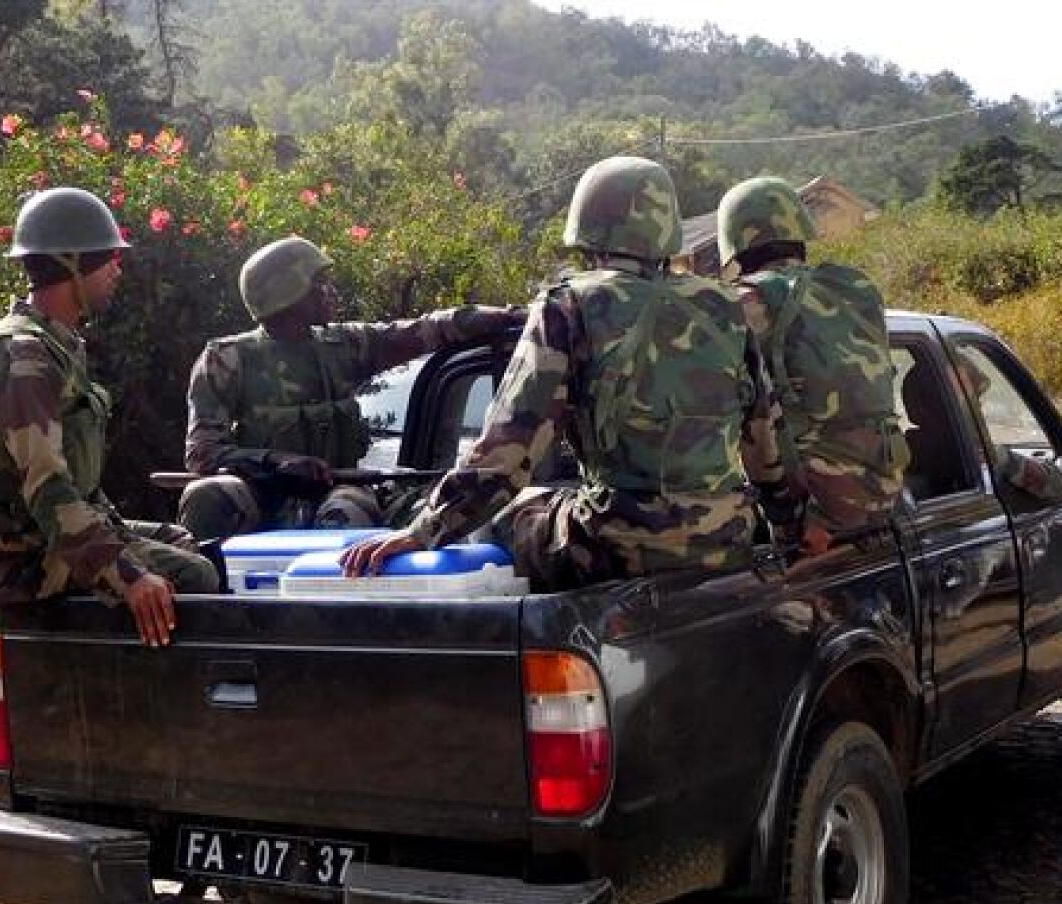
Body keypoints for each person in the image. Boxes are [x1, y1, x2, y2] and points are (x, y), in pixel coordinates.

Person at [341, 156, 790, 591]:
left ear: (590, 229)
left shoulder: (569, 305)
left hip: (615, 543)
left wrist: (422, 532)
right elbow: (765, 446)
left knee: (509, 514)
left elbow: (506, 456)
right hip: (725, 539)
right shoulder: (726, 307)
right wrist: (787, 530)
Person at [0, 187, 218, 648]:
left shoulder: (54, 343)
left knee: (183, 540)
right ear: (72, 264)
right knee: (195, 576)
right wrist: (128, 577)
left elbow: (75, 483)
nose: (117, 268)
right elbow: (46, 488)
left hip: (42, 538)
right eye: (107, 257)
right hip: (21, 560)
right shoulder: (24, 358)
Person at [177, 237, 524, 540]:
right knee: (206, 495)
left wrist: (503, 318)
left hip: (338, 488)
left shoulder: (344, 344)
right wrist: (274, 462)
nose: (330, 292)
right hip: (260, 491)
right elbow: (202, 454)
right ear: (289, 292)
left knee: (347, 509)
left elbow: (421, 331)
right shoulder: (227, 360)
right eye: (319, 284)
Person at [716, 175, 907, 554]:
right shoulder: (857, 289)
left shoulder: (744, 306)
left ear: (735, 243)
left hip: (810, 515)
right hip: (882, 496)